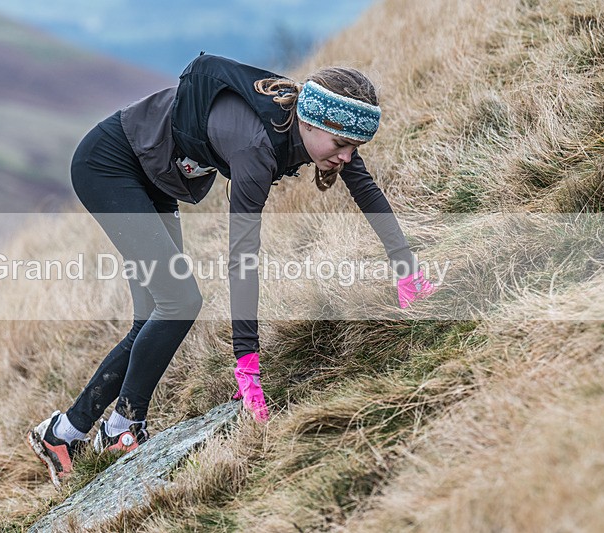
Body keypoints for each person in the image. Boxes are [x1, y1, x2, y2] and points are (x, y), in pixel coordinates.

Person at [26, 53, 436, 488]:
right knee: (180, 302)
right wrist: (247, 365)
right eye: (340, 146)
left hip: (150, 173)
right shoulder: (256, 148)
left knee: (157, 314)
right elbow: (243, 257)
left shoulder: (314, 124)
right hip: (108, 165)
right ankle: (123, 426)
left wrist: (406, 270)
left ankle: (64, 433)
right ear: (311, 124)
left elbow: (367, 192)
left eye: (355, 148)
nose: (347, 158)